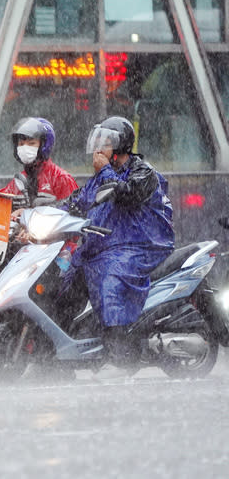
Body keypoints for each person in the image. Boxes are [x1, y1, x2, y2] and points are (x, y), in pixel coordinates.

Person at [61, 116, 174, 378]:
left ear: (121, 145)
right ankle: (58, 352)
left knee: (111, 280)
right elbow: (74, 203)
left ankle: (120, 356)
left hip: (138, 247)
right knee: (66, 277)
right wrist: (30, 214)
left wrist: (104, 171)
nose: (99, 149)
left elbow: (125, 194)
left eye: (106, 143)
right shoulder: (99, 177)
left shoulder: (144, 172)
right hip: (103, 246)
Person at [0, 117, 78, 220]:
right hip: (20, 235)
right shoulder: (19, 180)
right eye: (21, 144)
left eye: (31, 143)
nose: (24, 148)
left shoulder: (60, 178)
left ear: (44, 145)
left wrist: (32, 214)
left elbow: (74, 212)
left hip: (53, 236)